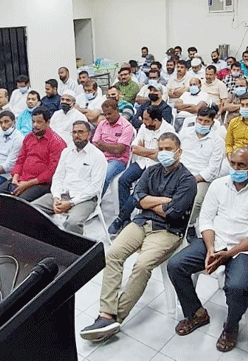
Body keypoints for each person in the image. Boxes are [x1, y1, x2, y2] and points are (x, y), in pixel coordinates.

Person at [81, 132, 197, 342]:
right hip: (142, 223)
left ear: (179, 152)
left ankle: (115, 317)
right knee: (112, 254)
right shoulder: (151, 171)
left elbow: (173, 213)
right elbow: (137, 199)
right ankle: (106, 314)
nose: (163, 153)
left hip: (168, 231)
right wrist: (163, 200)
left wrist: (149, 201)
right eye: (160, 149)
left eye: (168, 149)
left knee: (142, 265)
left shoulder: (188, 180)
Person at [168, 147, 248, 353]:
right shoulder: (218, 185)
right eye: (233, 163)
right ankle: (196, 313)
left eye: (241, 165)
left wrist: (228, 254)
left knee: (236, 286)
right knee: (175, 265)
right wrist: (211, 249)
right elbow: (206, 219)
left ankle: (231, 326)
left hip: (244, 249)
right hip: (215, 241)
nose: (235, 168)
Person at [108, 106, 176, 235]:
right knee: (123, 180)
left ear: (156, 120)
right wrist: (152, 152)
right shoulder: (145, 127)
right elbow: (134, 148)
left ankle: (120, 219)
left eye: (146, 119)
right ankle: (126, 218)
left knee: (138, 189)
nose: (142, 121)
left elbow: (161, 156)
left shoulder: (169, 132)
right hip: (141, 163)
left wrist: (144, 151)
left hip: (156, 167)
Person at [32, 121, 107, 235]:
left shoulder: (97, 156)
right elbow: (58, 177)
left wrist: (71, 203)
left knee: (73, 223)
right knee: (32, 209)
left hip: (85, 199)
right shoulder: (66, 152)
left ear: (89, 134)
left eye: (80, 132)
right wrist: (56, 197)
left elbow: (95, 188)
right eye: (74, 132)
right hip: (62, 195)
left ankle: (73, 246)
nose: (77, 135)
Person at [0, 107, 66, 202]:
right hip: (21, 179)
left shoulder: (56, 142)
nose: (35, 125)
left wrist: (27, 184)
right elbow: (20, 160)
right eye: (33, 121)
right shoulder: (29, 137)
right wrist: (15, 178)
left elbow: (51, 172)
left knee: (17, 203)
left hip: (40, 183)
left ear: (48, 122)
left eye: (39, 122)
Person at [178, 106, 225, 225]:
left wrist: (192, 180)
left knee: (197, 200)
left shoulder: (218, 141)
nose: (202, 123)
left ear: (212, 123)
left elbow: (213, 169)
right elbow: (176, 154)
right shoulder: (184, 133)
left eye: (206, 121)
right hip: (180, 172)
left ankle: (188, 225)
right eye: (200, 120)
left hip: (201, 178)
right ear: (196, 119)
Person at [92, 99, 136, 195]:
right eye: (105, 114)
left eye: (109, 114)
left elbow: (119, 150)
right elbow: (95, 144)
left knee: (103, 176)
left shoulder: (126, 126)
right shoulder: (102, 124)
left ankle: (95, 200)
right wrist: (110, 147)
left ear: (117, 111)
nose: (107, 117)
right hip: (100, 158)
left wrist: (103, 145)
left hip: (118, 161)